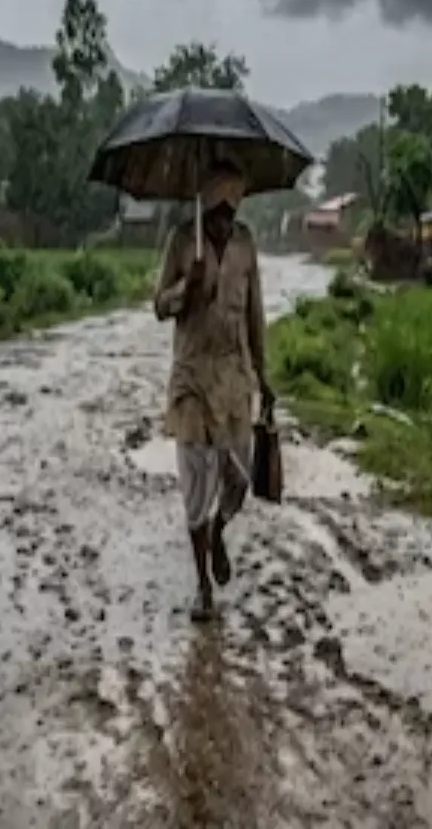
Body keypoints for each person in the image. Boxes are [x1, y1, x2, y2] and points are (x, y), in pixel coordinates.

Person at [153, 160, 273, 622]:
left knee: (239, 477)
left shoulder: (246, 245)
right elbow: (158, 305)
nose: (224, 222)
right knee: (195, 485)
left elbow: (255, 315)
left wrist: (264, 376)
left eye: (230, 212)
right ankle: (204, 586)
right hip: (191, 382)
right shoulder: (183, 241)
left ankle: (220, 531)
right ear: (205, 205)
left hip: (233, 378)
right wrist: (188, 286)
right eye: (217, 212)